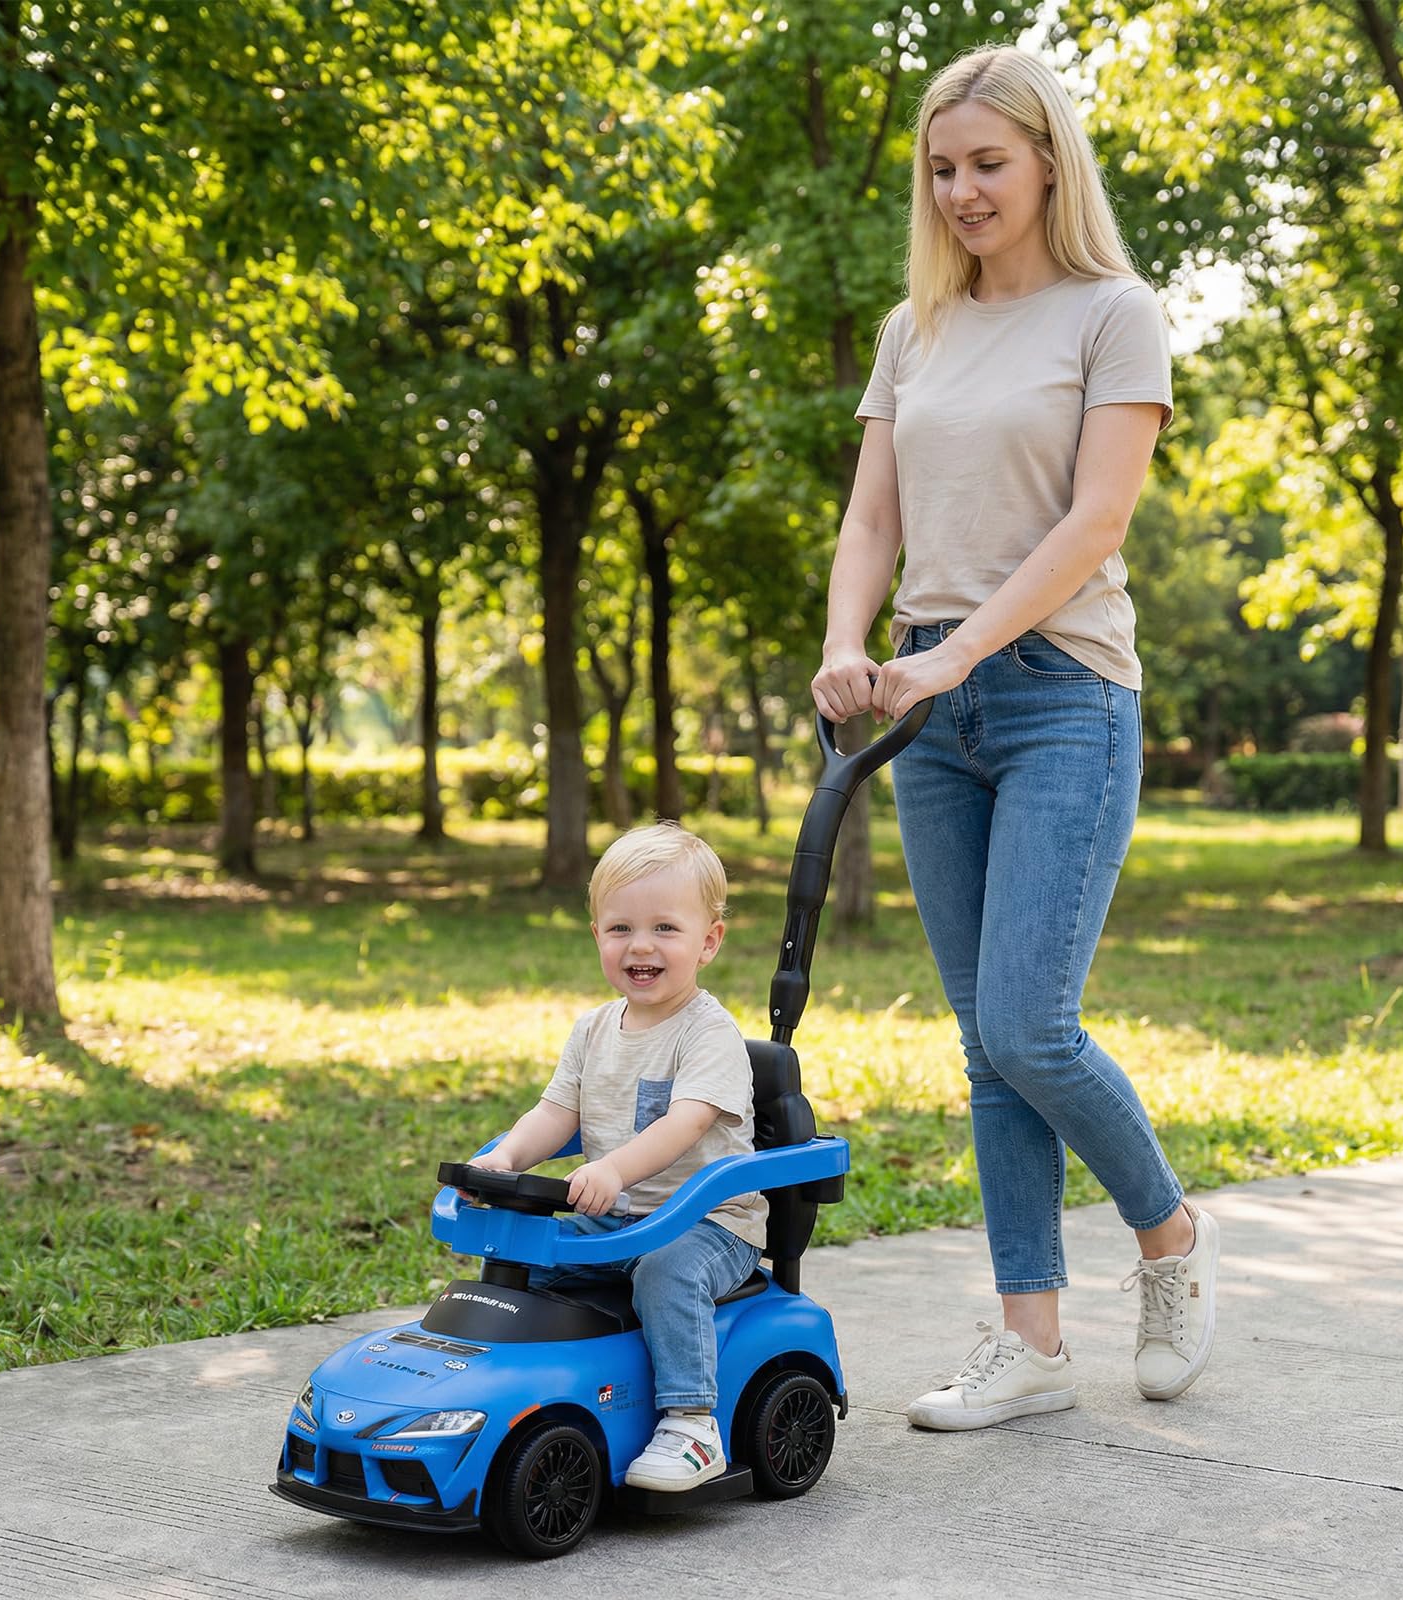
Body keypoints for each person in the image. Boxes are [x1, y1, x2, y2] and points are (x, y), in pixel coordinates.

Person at [811, 43, 1219, 1431]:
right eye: (942, 168)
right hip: (930, 705)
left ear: (1049, 159)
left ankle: (1167, 1240)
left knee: (1029, 1026)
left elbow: (1094, 524)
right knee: (985, 1051)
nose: (964, 189)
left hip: (1061, 696)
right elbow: (872, 517)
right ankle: (1032, 1340)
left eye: (989, 162)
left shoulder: (1115, 314)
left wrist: (959, 653)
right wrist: (847, 647)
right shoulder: (912, 328)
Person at [462, 822, 766, 1489]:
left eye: (665, 928)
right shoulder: (593, 1029)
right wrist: (506, 1156)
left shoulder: (709, 1033)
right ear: (597, 934)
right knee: (517, 1255)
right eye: (620, 928)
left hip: (708, 1226)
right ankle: (519, 1386)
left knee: (666, 1273)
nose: (641, 946)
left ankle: (691, 1424)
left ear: (708, 941)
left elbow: (685, 1124)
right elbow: (556, 1114)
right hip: (617, 1218)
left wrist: (613, 1168)